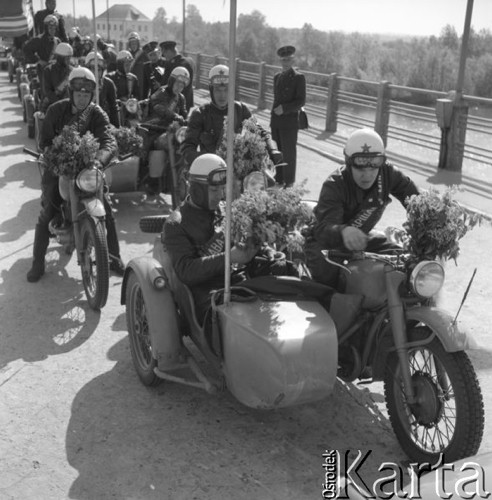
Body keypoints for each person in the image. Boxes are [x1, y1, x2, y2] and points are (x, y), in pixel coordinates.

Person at [26, 67, 125, 283]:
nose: (82, 98)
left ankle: (115, 257)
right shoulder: (55, 110)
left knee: (106, 209)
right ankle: (37, 262)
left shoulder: (97, 113)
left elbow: (108, 140)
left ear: (91, 95)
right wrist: (58, 157)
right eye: (78, 94)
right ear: (71, 92)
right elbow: (45, 142)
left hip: (89, 171)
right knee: (48, 211)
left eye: (86, 95)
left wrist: (99, 160)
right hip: (60, 170)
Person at [304, 128, 420, 291]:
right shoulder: (334, 185)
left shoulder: (388, 173)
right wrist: (343, 231)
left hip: (362, 238)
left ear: (381, 163)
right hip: (327, 243)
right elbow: (324, 228)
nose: (367, 175)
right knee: (327, 285)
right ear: (348, 163)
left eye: (373, 168)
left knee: (403, 256)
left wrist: (433, 219)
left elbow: (415, 199)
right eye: (360, 168)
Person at [162, 154, 257, 324]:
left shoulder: (227, 209)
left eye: (222, 189)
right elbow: (186, 271)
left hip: (237, 280)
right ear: (196, 188)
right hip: (207, 292)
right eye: (214, 190)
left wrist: (255, 243)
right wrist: (229, 257)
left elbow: (242, 246)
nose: (220, 196)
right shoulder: (176, 223)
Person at [181, 64, 282, 168]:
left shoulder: (241, 110)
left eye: (226, 90)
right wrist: (203, 160)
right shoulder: (200, 113)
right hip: (212, 171)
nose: (222, 95)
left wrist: (272, 149)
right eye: (218, 90)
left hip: (239, 169)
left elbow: (260, 133)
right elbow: (187, 146)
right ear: (211, 90)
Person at [139, 66, 189, 199]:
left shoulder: (181, 98)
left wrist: (189, 120)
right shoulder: (160, 92)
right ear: (172, 81)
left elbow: (184, 114)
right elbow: (158, 107)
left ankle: (182, 176)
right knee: (165, 143)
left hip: (173, 132)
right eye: (178, 83)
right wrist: (174, 115)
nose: (180, 87)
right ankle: (153, 180)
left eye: (182, 84)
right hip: (154, 130)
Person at [270, 45, 306, 187]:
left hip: (289, 122)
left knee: (289, 153)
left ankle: (289, 182)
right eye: (283, 60)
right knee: (277, 151)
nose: (285, 63)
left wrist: (284, 109)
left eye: (288, 60)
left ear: (292, 60)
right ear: (280, 61)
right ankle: (279, 179)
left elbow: (300, 101)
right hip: (276, 121)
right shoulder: (277, 77)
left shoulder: (298, 78)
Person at [85, 51, 120, 128]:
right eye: (93, 69)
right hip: (83, 122)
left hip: (102, 122)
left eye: (99, 69)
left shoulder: (108, 83)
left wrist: (117, 128)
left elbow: (113, 107)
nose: (96, 72)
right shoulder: (80, 83)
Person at [23, 15, 61, 85]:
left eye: (54, 28)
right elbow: (26, 49)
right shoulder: (39, 39)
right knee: (46, 91)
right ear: (46, 28)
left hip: (56, 71)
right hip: (43, 70)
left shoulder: (58, 41)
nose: (53, 30)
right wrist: (38, 60)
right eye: (50, 28)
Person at [159, 40, 194, 111]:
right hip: (184, 100)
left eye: (164, 54)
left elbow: (169, 84)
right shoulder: (188, 61)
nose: (165, 57)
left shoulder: (177, 64)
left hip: (177, 102)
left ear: (168, 51)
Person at [40, 42, 73, 113]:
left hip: (71, 105)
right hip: (53, 104)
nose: (69, 60)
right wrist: (60, 105)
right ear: (60, 57)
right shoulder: (49, 70)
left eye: (70, 57)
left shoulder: (72, 70)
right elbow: (47, 91)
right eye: (67, 58)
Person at [127, 32, 148, 99]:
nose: (133, 45)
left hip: (142, 84)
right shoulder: (127, 55)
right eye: (131, 43)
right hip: (130, 83)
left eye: (135, 43)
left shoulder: (144, 54)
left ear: (138, 43)